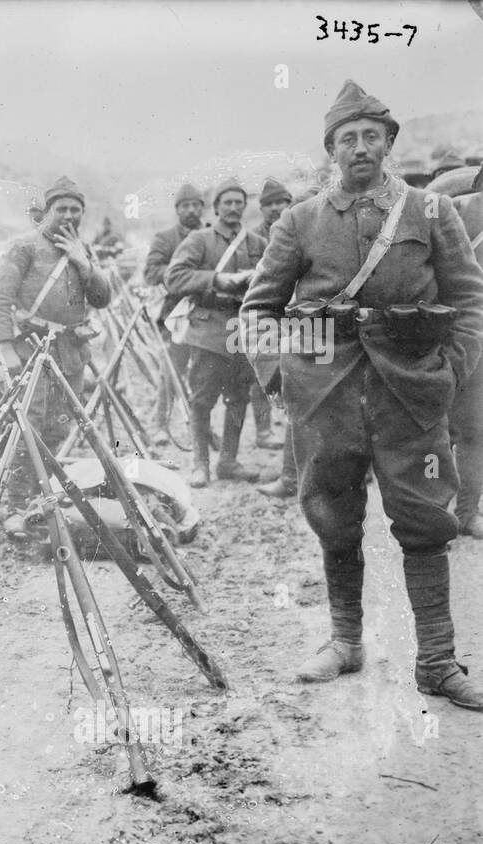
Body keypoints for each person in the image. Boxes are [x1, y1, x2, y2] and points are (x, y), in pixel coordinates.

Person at [240, 80, 483, 709]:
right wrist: (281, 376)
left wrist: (451, 371)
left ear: (389, 144)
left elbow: (469, 301)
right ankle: (346, 641)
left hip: (412, 393)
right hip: (328, 398)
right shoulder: (299, 220)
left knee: (427, 519)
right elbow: (258, 310)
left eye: (372, 136)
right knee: (333, 515)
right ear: (331, 150)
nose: (360, 148)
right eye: (347, 139)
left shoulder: (433, 212)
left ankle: (437, 661)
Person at [0, 175, 112, 540]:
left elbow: (103, 298)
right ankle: (14, 507)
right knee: (30, 427)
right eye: (62, 209)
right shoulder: (23, 247)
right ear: (48, 211)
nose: (69, 216)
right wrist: (6, 348)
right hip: (32, 349)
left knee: (59, 428)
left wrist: (84, 264)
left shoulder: (83, 249)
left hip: (70, 352)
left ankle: (43, 499)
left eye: (76, 210)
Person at [165, 179, 267, 487]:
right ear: (216, 207)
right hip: (207, 328)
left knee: (239, 397)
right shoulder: (200, 240)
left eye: (239, 202)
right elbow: (174, 277)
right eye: (227, 202)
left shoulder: (257, 243)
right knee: (202, 399)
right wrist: (218, 280)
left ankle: (228, 461)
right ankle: (200, 465)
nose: (234, 207)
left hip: (243, 329)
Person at [144, 183, 204, 446]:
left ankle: (202, 429)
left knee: (205, 375)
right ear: (177, 209)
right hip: (174, 314)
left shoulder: (212, 235)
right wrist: (186, 275)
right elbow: (151, 273)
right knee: (171, 371)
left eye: (195, 205)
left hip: (206, 312)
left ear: (202, 208)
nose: (191, 210)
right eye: (185, 206)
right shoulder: (165, 238)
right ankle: (161, 425)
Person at [447, 164, 483, 537]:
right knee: (439, 429)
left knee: (475, 428)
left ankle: (467, 512)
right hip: (452, 334)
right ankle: (435, 517)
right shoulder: (457, 209)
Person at [247, 178, 290, 452]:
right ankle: (263, 431)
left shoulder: (297, 229)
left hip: (291, 311)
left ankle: (288, 425)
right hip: (262, 311)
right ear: (261, 208)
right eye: (269, 204)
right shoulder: (251, 238)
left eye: (280, 202)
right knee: (259, 370)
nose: (275, 208)